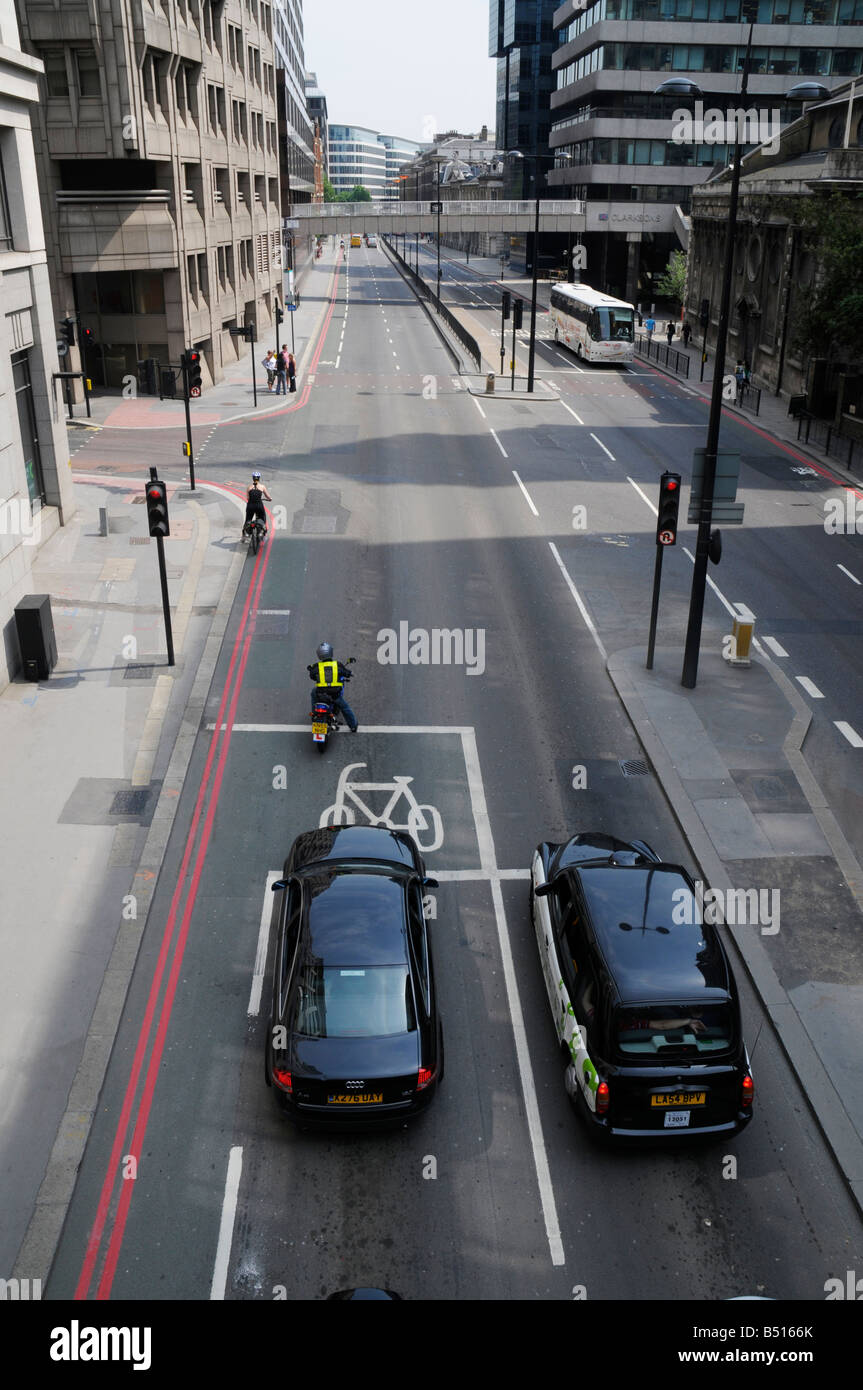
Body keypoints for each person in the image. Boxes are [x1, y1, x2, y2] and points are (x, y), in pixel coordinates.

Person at [308, 642, 358, 733]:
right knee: (345, 708)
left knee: (313, 692)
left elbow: (312, 676)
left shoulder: (317, 666)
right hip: (335, 695)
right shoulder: (337, 665)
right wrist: (350, 673)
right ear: (331, 652)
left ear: (319, 654)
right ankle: (353, 726)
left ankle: (314, 714)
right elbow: (346, 672)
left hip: (321, 694)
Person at [243, 471, 272, 537]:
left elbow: (247, 498)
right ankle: (262, 530)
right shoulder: (262, 487)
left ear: (253, 478)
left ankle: (245, 534)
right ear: (259, 478)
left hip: (250, 506)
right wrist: (270, 499)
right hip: (259, 506)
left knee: (248, 519)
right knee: (263, 517)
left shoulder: (249, 487)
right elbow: (268, 497)